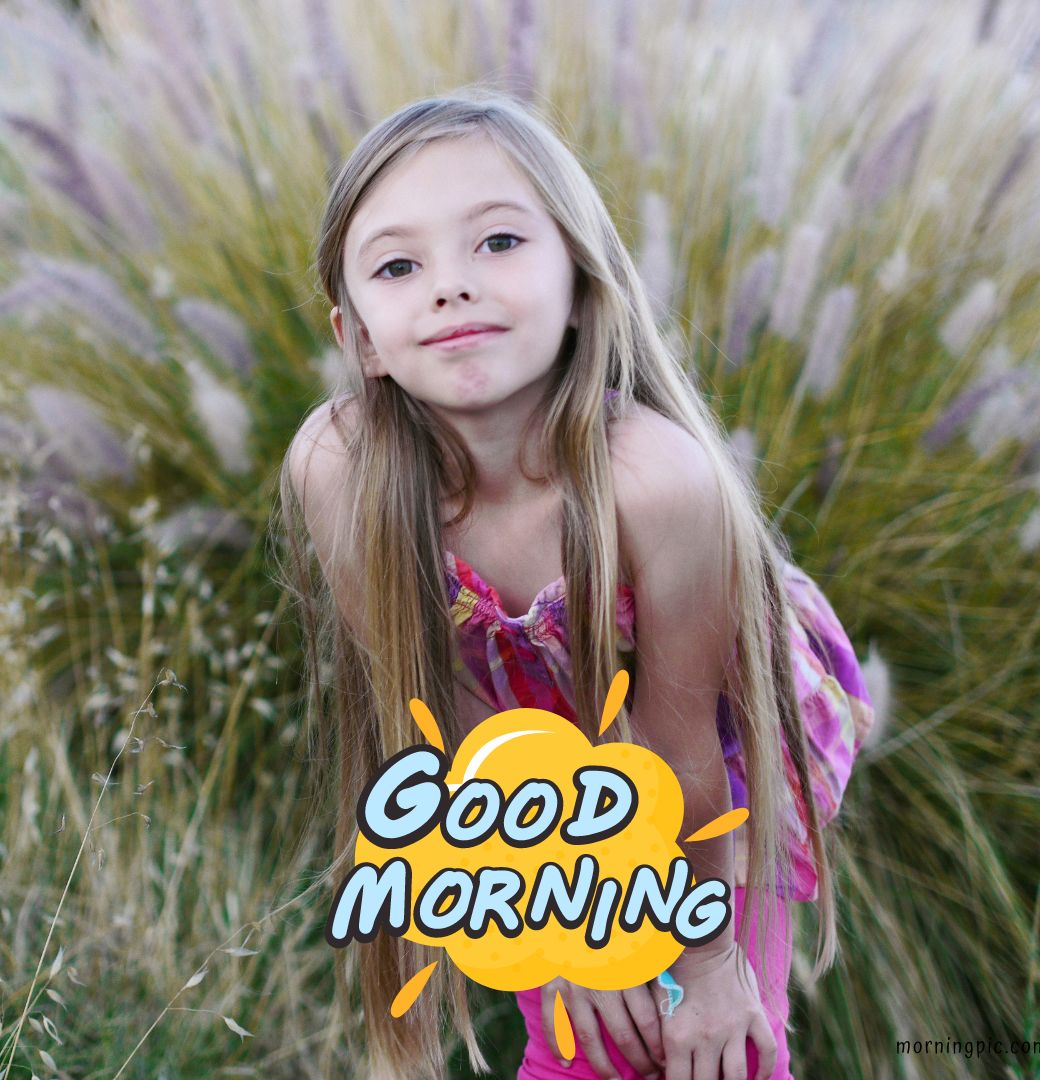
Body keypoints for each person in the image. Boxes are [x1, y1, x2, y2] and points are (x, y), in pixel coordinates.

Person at [276, 89, 875, 1080]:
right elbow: (446, 706)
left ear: (582, 283)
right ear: (360, 339)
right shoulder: (343, 473)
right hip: (512, 778)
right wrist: (556, 912)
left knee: (710, 1038)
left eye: (499, 243)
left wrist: (707, 957)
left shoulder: (659, 485)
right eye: (398, 264)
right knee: (584, 1034)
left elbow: (683, 759)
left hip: (704, 764)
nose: (450, 287)